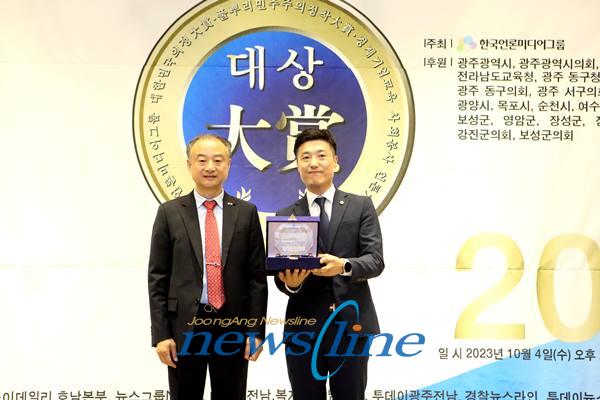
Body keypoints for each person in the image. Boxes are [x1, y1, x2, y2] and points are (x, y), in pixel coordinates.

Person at [148, 134, 267, 400]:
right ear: (189, 164)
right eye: (202, 160)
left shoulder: (246, 212)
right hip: (184, 326)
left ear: (229, 164)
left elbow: (256, 279)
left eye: (218, 160)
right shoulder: (170, 212)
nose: (210, 167)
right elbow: (157, 278)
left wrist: (256, 331)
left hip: (233, 326)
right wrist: (161, 334)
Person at [275, 128, 385, 400]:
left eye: (321, 155)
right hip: (303, 329)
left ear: (335, 162)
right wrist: (291, 284)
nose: (313, 163)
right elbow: (281, 272)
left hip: (350, 327)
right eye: (305, 157)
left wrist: (344, 266)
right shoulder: (286, 215)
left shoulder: (361, 206)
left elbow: (375, 260)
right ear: (297, 165)